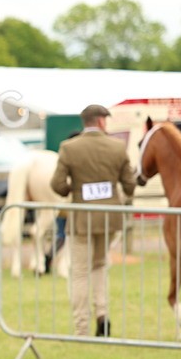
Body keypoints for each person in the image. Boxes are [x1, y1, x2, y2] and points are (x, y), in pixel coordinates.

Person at [50, 104, 136, 338]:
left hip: (81, 219)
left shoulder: (69, 148)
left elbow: (57, 185)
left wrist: (74, 190)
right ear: (100, 121)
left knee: (79, 271)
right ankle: (103, 315)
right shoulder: (117, 147)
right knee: (100, 265)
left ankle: (81, 327)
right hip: (109, 219)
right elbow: (129, 184)